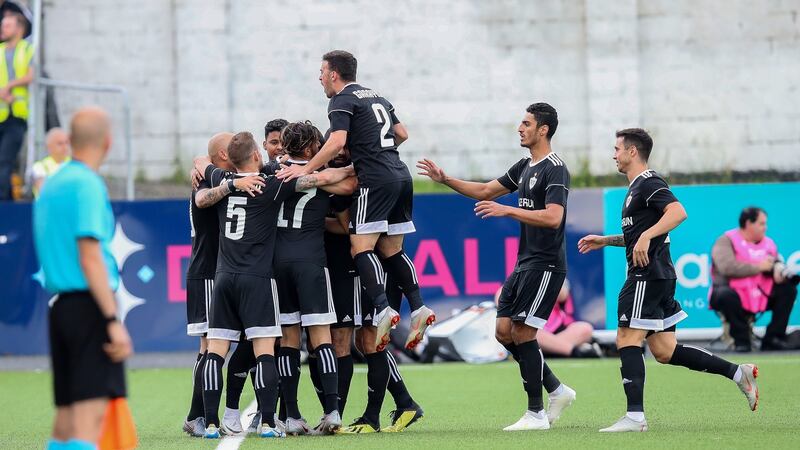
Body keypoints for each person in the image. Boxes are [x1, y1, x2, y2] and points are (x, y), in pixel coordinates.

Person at [577, 128, 759, 433]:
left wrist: (646, 235)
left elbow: (678, 212)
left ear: (632, 151)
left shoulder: (648, 181)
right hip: (660, 275)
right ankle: (738, 373)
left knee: (626, 339)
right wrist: (606, 240)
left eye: (617, 149)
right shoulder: (636, 188)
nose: (614, 154)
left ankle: (635, 417)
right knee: (664, 350)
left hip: (646, 276)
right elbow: (639, 238)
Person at [417, 103, 576, 432]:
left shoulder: (555, 168)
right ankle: (557, 390)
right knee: (503, 332)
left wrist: (508, 212)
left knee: (524, 333)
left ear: (543, 129)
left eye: (526, 123)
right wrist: (445, 178)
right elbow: (486, 190)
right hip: (524, 262)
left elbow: (553, 216)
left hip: (546, 264)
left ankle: (536, 414)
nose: (520, 128)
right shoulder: (524, 166)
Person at [193, 131, 354, 439]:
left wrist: (229, 183)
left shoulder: (223, 178)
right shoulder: (273, 184)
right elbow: (332, 183)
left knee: (217, 350)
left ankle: (216, 421)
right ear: (257, 155)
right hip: (270, 275)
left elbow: (202, 184)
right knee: (273, 348)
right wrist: (344, 168)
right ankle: (275, 421)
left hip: (228, 276)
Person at [277, 50, 436, 354]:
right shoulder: (376, 96)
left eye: (322, 71)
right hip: (401, 176)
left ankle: (382, 309)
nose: (320, 77)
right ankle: (418, 307)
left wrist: (305, 169)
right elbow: (401, 133)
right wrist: (373, 151)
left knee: (359, 246)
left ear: (334, 74)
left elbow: (336, 141)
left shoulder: (341, 100)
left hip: (374, 181)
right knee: (392, 249)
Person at [34, 106, 134, 449]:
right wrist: (111, 318)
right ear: (107, 142)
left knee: (66, 419)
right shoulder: (86, 183)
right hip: (88, 307)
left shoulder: (51, 184)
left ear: (71, 140)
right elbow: (90, 256)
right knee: (90, 419)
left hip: (60, 308)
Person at [272, 121, 357, 435]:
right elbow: (349, 186)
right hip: (311, 263)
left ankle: (292, 415)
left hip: (278, 265)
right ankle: (332, 411)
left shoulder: (273, 172)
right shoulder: (320, 178)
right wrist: (344, 170)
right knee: (322, 338)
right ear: (310, 149)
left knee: (289, 339)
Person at [181, 132, 264, 437]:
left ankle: (251, 414)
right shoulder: (208, 181)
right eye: (230, 147)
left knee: (246, 340)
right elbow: (203, 192)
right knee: (208, 347)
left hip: (227, 273)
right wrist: (210, 172)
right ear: (222, 158)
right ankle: (199, 415)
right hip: (207, 273)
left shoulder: (219, 173)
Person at [709, 207, 798, 352]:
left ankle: (774, 338)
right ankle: (742, 341)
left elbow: (772, 264)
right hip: (731, 292)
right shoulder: (725, 240)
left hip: (760, 292)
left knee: (788, 289)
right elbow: (727, 268)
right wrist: (759, 267)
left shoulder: (768, 243)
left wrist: (777, 271)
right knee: (725, 295)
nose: (765, 228)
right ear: (749, 223)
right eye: (762, 224)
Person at [498, 280, 601, 358]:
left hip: (556, 330)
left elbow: (562, 295)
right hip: (532, 330)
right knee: (527, 330)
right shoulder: (516, 280)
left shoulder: (553, 275)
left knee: (585, 328)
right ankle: (573, 352)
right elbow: (500, 301)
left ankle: (549, 351)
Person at [0, 11, 33, 201]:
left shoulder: (27, 49)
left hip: (16, 116)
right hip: (1, 113)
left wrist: (10, 86)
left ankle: (4, 204)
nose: (2, 29)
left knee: (6, 162)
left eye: (7, 26)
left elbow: (31, 74)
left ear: (19, 29)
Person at [31, 127, 71, 198]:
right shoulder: (40, 166)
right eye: (60, 143)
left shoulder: (75, 164)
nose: (65, 147)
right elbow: (44, 191)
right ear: (49, 147)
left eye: (67, 143)